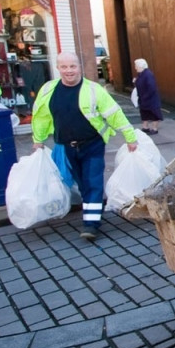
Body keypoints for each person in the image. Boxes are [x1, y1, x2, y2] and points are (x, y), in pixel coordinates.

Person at [31, 52, 138, 241]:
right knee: (82, 184)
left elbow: (115, 114)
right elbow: (41, 116)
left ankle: (91, 224)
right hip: (65, 147)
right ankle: (91, 210)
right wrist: (37, 139)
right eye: (64, 67)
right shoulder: (49, 90)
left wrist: (130, 137)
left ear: (80, 67)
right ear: (58, 68)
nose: (69, 71)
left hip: (92, 145)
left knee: (93, 183)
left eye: (72, 66)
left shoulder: (93, 90)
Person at [133, 58, 164, 135]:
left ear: (141, 66)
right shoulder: (141, 74)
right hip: (144, 98)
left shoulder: (148, 74)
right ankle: (145, 127)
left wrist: (145, 97)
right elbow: (140, 84)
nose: (135, 67)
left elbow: (152, 87)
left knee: (154, 113)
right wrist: (135, 81)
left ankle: (154, 128)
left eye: (136, 66)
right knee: (144, 113)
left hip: (150, 99)